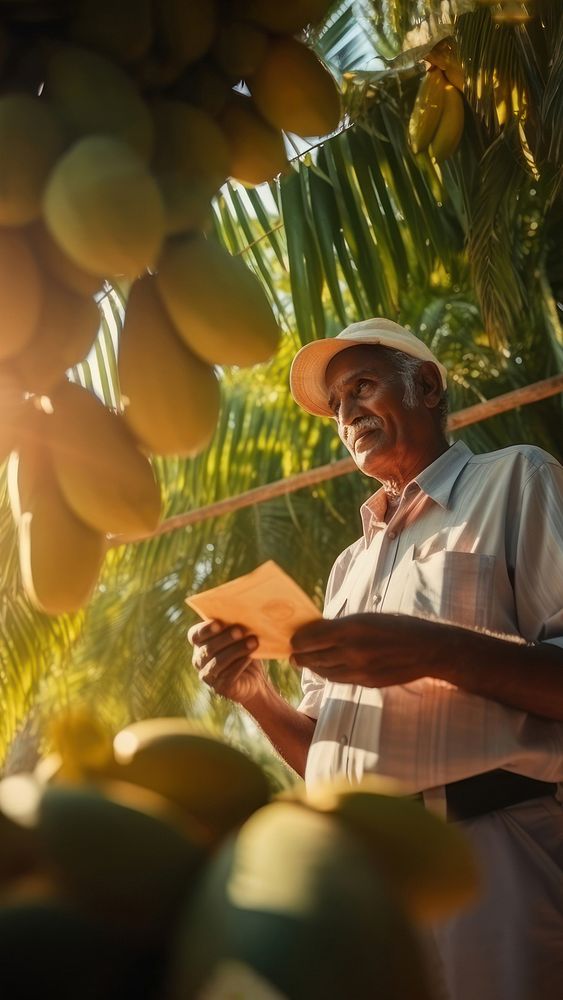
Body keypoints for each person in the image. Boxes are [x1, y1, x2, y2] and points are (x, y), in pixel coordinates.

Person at [188, 318, 563, 1000]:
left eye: (360, 386)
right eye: (334, 405)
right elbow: (323, 760)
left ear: (424, 385)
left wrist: (432, 650)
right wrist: (254, 693)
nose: (346, 412)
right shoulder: (346, 568)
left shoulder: (513, 480)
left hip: (492, 859)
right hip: (367, 882)